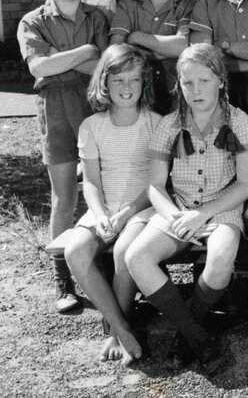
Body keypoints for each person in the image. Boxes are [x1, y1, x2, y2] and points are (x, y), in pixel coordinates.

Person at [124, 44, 248, 374]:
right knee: (136, 257)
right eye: (188, 83)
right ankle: (199, 338)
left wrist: (205, 214)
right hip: (178, 208)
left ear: (221, 81)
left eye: (205, 81)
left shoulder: (237, 122)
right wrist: (175, 217)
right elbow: (155, 185)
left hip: (222, 208)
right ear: (178, 85)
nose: (196, 90)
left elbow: (246, 184)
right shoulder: (169, 125)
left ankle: (187, 337)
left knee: (221, 258)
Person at [18, 0, 110, 312]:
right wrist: (85, 54)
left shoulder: (98, 18)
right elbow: (38, 68)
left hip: (92, 104)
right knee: (64, 198)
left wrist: (68, 58)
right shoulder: (33, 21)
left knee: (101, 189)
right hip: (55, 109)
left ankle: (102, 266)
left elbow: (104, 68)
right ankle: (63, 280)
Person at [63, 44, 161, 365]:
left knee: (122, 252)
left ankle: (115, 331)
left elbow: (156, 185)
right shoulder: (92, 127)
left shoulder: (156, 124)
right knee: (74, 251)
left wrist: (126, 213)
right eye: (118, 80)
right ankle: (120, 326)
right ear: (104, 82)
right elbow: (90, 181)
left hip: (141, 208)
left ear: (144, 83)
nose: (126, 88)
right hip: (104, 207)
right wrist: (101, 213)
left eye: (134, 80)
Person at [110, 0, 197, 114]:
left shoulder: (189, 3)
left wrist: (135, 37)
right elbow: (116, 51)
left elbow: (183, 46)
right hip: (137, 99)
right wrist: (164, 50)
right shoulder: (127, 5)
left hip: (179, 96)